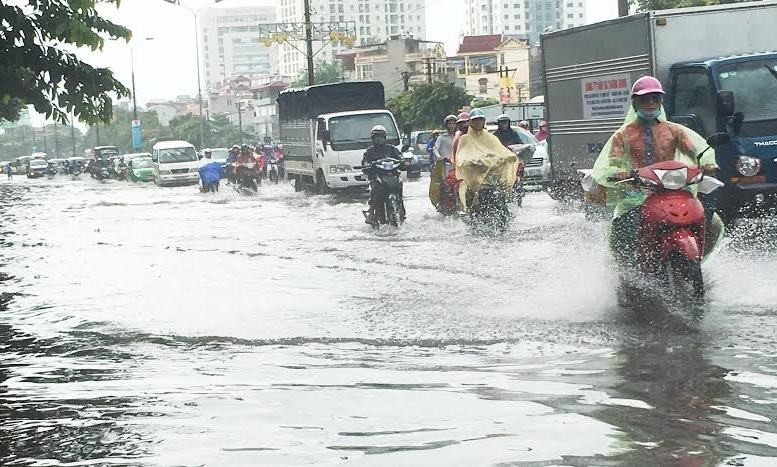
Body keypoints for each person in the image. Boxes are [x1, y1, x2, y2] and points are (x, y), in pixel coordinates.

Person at [592, 75, 720, 266]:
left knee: (714, 223)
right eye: (645, 99)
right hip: (637, 194)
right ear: (635, 103)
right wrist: (619, 172)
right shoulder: (623, 135)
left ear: (661, 101)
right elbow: (612, 161)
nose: (650, 103)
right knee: (621, 230)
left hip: (674, 189)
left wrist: (708, 163)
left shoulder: (674, 130)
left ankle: (697, 260)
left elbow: (697, 149)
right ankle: (628, 269)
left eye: (655, 98)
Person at [456, 108, 518, 210]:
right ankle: (470, 212)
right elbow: (461, 157)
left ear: (484, 121)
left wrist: (509, 157)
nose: (478, 122)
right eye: (475, 120)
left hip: (491, 176)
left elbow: (500, 152)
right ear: (470, 122)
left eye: (480, 119)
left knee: (502, 198)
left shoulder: (492, 138)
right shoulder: (465, 139)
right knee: (470, 199)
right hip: (474, 178)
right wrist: (474, 162)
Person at [362, 125, 402, 224]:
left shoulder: (391, 149)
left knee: (400, 187)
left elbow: (400, 158)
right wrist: (367, 165)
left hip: (392, 176)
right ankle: (371, 215)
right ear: (373, 138)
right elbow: (364, 163)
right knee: (375, 192)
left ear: (384, 137)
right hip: (377, 177)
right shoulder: (369, 151)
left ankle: (401, 209)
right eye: (376, 137)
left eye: (381, 136)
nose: (379, 139)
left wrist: (405, 161)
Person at [429, 115, 459, 211]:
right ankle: (440, 203)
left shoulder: (460, 136)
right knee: (443, 185)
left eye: (454, 123)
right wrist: (440, 158)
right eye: (450, 124)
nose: (452, 126)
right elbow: (435, 149)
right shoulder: (441, 138)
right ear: (446, 125)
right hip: (445, 165)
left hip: (459, 165)